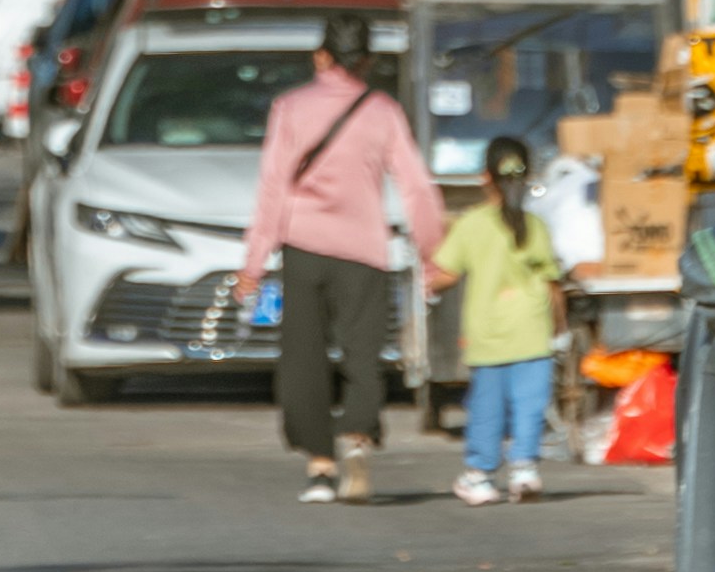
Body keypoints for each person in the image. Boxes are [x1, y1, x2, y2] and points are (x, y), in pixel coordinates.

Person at [232, 26, 449, 508]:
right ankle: (355, 435)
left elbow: (272, 190)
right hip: (364, 252)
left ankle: (320, 466)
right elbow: (415, 187)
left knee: (303, 356)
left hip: (304, 248)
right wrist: (432, 254)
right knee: (363, 352)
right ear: (367, 62)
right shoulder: (383, 112)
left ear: (321, 57)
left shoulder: (290, 108)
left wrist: (253, 264)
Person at [436, 135, 570, 502]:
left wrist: (427, 283)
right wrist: (560, 329)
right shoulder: (536, 227)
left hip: (488, 333)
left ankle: (479, 475)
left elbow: (445, 274)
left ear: (485, 177)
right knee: (530, 405)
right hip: (532, 329)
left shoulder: (472, 224)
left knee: (486, 408)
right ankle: (524, 471)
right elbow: (552, 285)